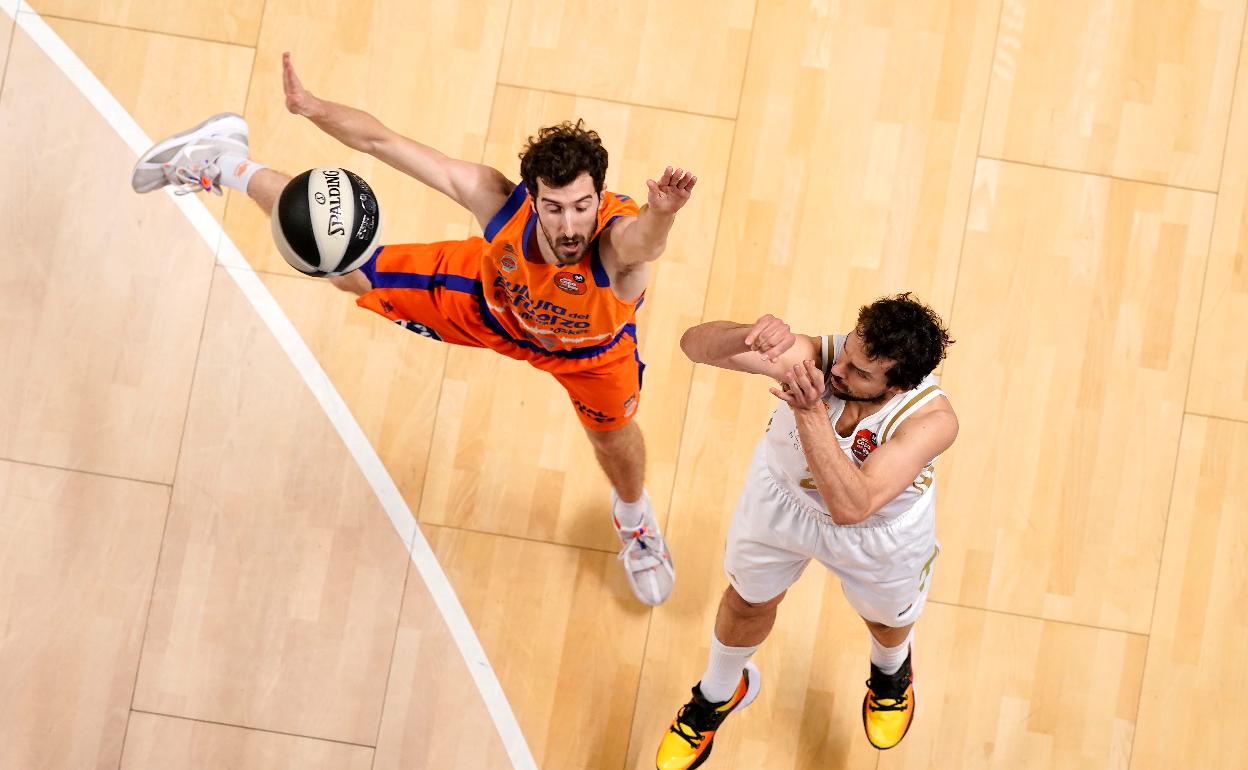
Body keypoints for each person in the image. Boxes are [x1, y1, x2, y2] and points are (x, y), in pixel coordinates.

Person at [131, 54, 696, 606]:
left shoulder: (616, 245)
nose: (570, 225)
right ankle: (228, 161)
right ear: (531, 196)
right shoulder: (496, 200)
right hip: (488, 306)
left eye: (582, 206)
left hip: (591, 354)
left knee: (613, 438)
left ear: (600, 195)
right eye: (554, 208)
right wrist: (312, 108)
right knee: (344, 269)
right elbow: (384, 143)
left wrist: (663, 212)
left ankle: (634, 518)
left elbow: (644, 240)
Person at [655, 295, 957, 768]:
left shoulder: (931, 422)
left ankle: (891, 676)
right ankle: (716, 694)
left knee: (887, 620)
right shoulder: (823, 359)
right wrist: (749, 335)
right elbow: (693, 346)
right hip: (785, 501)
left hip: (874, 530)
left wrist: (811, 410)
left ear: (898, 386)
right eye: (847, 353)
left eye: (860, 373)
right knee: (746, 601)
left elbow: (852, 506)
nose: (839, 371)